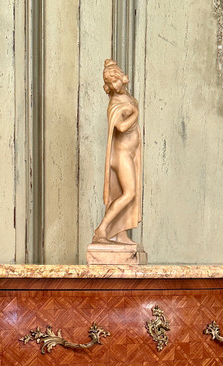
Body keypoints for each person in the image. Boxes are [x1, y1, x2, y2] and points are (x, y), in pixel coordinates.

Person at [93, 59, 142, 245]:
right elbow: (120, 127)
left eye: (115, 81)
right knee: (129, 193)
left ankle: (119, 234)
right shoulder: (114, 103)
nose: (114, 86)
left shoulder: (126, 98)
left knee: (125, 193)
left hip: (129, 153)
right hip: (122, 155)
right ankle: (102, 229)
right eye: (110, 83)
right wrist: (136, 114)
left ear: (123, 78)